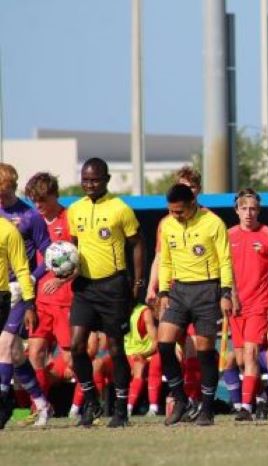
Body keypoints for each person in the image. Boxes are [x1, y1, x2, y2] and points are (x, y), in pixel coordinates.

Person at [68, 157, 145, 428]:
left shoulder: (120, 208)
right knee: (76, 346)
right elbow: (73, 246)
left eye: (95, 180)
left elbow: (137, 244)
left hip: (113, 286)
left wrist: (137, 282)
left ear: (107, 180)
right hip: (84, 287)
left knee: (115, 348)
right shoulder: (74, 209)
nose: (90, 184)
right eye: (85, 180)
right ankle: (91, 402)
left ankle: (121, 409)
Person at [157, 183, 236, 426]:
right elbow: (165, 261)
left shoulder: (213, 223)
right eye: (171, 210)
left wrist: (226, 292)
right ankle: (180, 400)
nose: (175, 215)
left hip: (207, 290)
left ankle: (207, 409)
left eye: (179, 211)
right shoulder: (167, 225)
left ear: (192, 204)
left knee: (204, 353)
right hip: (179, 291)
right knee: (164, 344)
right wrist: (163, 291)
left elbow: (225, 260)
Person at [146, 166, 205, 409]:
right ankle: (179, 396)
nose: (187, 191)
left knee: (193, 345)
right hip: (172, 292)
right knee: (170, 345)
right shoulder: (166, 223)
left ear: (198, 190)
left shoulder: (208, 219)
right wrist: (152, 287)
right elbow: (160, 257)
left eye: (191, 187)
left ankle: (192, 397)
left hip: (199, 291)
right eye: (182, 186)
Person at [0, 163, 52, 427]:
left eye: (4, 192)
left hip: (20, 290)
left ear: (12, 187)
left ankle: (3, 402)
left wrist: (31, 278)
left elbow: (49, 254)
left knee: (5, 343)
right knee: (16, 354)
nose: (1, 198)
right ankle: (42, 404)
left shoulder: (30, 216)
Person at [227, 188, 268, 421]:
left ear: (259, 210)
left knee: (251, 354)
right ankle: (261, 397)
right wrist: (229, 296)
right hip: (236, 306)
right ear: (237, 210)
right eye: (244, 208)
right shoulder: (228, 236)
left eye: (253, 209)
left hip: (259, 304)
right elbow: (224, 271)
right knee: (241, 360)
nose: (248, 213)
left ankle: (245, 408)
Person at [24, 172, 74, 417]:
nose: (38, 205)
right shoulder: (33, 221)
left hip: (66, 300)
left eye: (42, 199)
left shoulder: (70, 219)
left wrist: (63, 279)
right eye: (34, 200)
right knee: (34, 353)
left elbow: (81, 259)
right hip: (41, 301)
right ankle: (40, 408)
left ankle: (85, 405)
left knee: (71, 359)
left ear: (55, 195)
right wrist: (29, 301)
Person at [0, 215, 37, 429]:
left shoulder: (8, 230)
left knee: (4, 348)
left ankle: (4, 402)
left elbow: (22, 269)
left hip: (4, 297)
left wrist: (30, 303)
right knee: (13, 353)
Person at [124, 303, 158, 417]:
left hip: (144, 354)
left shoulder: (144, 312)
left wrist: (144, 354)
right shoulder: (117, 308)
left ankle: (128, 408)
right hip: (125, 354)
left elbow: (155, 342)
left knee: (139, 365)